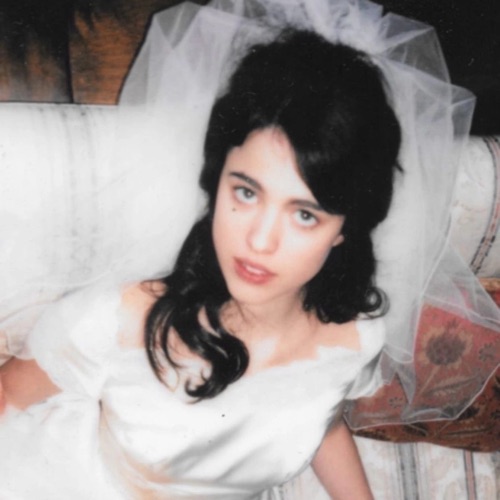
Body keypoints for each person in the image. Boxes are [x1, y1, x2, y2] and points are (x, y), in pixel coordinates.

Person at [0, 0, 489, 498]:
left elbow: (322, 419)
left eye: (304, 214)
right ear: (217, 182)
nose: (258, 241)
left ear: (345, 228)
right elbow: (6, 396)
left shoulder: (355, 338)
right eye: (246, 192)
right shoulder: (117, 320)